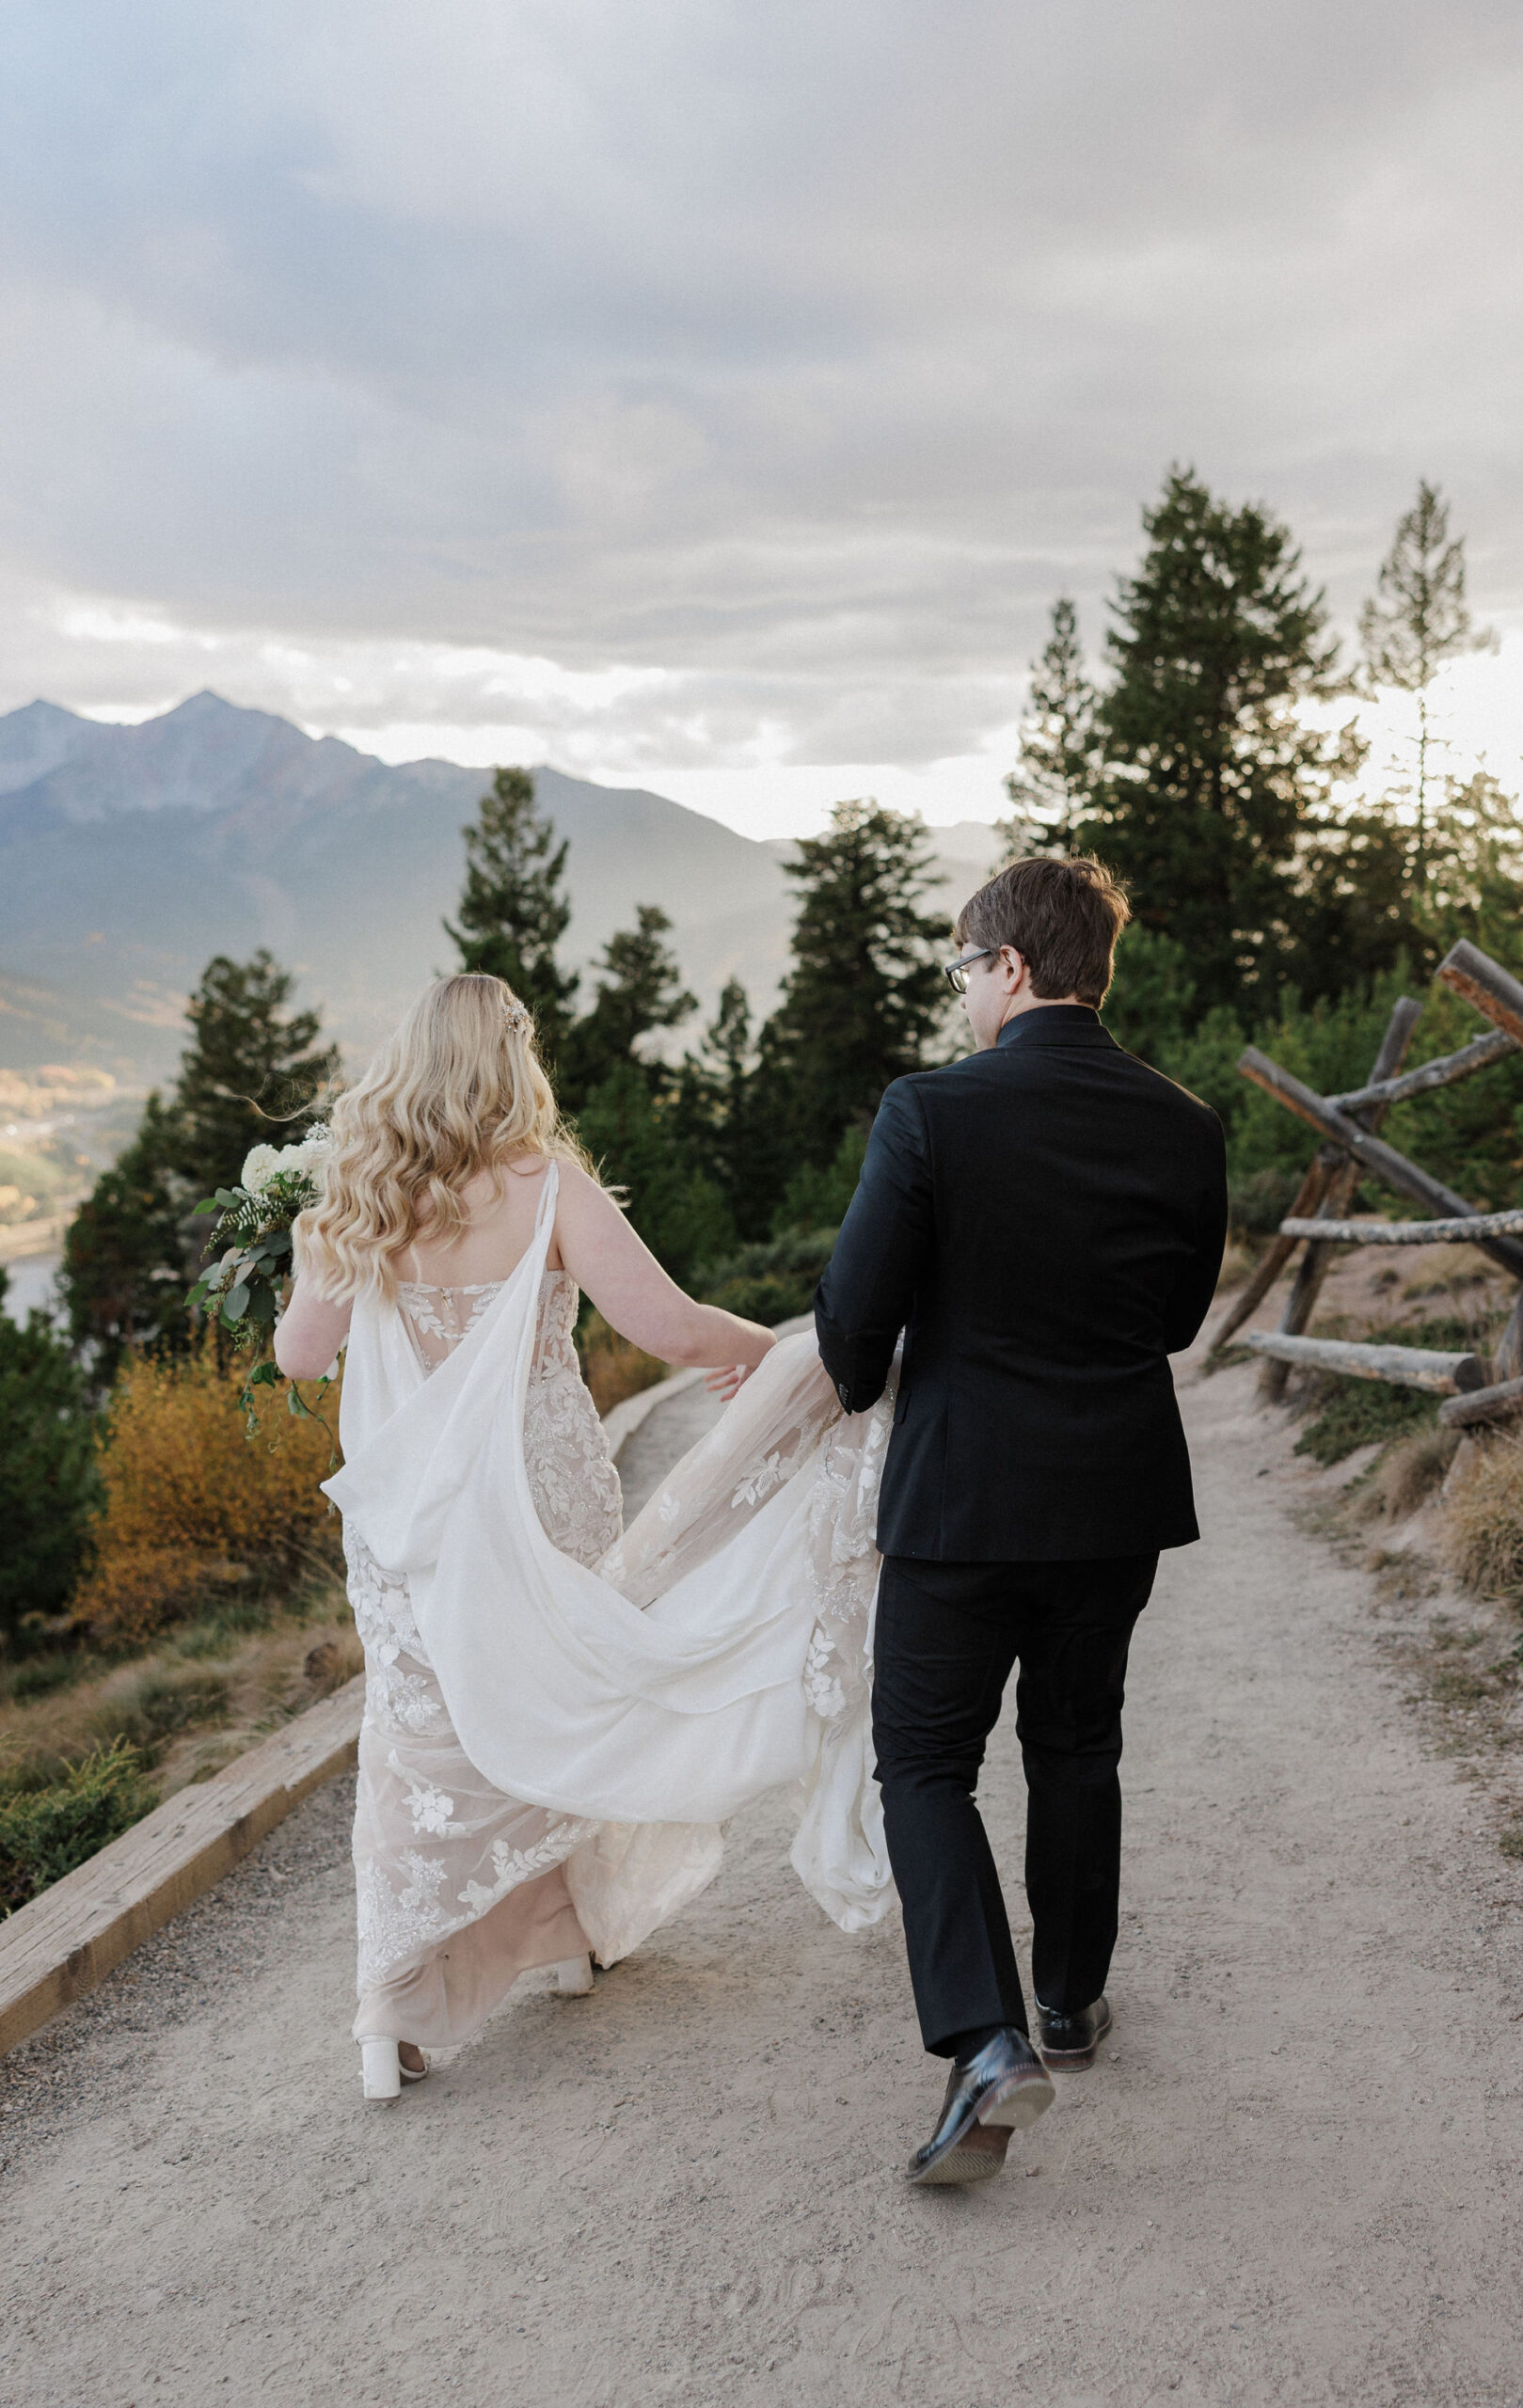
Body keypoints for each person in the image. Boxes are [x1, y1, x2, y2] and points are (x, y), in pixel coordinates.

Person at [277, 973, 887, 2102]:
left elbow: (301, 1357)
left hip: (414, 1517)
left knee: (424, 1733)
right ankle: (560, 1941)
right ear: (511, 1061)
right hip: (541, 1490)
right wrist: (785, 1353)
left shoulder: (353, 1199)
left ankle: (398, 2009)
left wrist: (322, 1256)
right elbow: (665, 1326)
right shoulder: (547, 1188)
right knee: (558, 1691)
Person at [815, 854, 1228, 2183]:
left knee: (924, 1762)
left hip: (958, 1503)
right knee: (1075, 1741)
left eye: (961, 973)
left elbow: (851, 1327)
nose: (957, 1001)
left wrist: (865, 1370)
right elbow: (1170, 1323)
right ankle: (1067, 2000)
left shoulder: (928, 1112)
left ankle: (985, 2041)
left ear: (1006, 967)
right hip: (1112, 1501)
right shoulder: (1185, 1122)